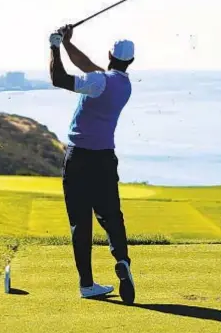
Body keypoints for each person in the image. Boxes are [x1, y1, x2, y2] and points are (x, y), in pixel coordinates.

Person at [48, 25, 136, 304]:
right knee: (112, 215)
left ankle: (87, 284)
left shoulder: (98, 81)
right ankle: (122, 259)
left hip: (79, 159)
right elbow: (87, 66)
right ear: (130, 61)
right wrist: (67, 44)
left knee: (80, 222)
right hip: (104, 159)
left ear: (109, 53)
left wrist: (53, 46)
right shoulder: (122, 84)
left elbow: (58, 78)